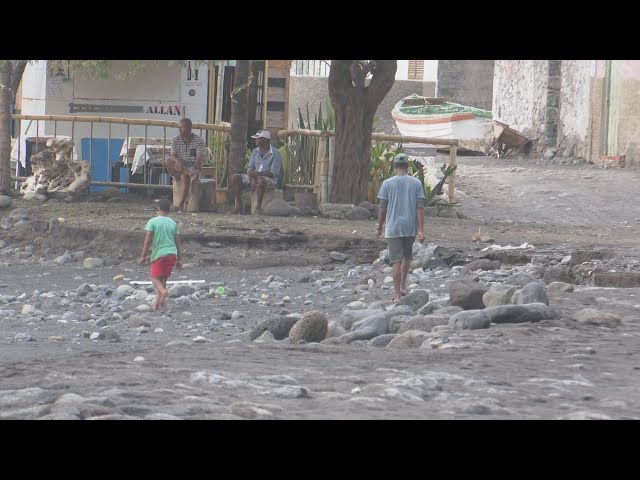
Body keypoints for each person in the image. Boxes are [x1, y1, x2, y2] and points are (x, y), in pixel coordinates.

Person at [376, 153, 425, 303]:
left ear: (395, 166)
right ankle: (403, 285)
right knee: (407, 257)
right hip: (410, 226)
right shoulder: (416, 183)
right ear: (407, 167)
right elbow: (420, 207)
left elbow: (382, 208)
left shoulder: (387, 183)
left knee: (396, 261)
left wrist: (379, 227)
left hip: (393, 227)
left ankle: (397, 294)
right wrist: (421, 229)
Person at [138, 198, 183, 310]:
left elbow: (147, 240)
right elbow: (178, 242)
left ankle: (163, 292)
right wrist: (179, 259)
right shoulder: (173, 223)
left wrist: (143, 256)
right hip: (172, 254)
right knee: (163, 279)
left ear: (158, 209)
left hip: (159, 254)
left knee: (154, 278)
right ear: (169, 210)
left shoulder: (152, 222)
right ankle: (158, 305)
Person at [229, 129, 282, 215]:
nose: (256, 140)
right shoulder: (255, 152)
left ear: (266, 140)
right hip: (254, 178)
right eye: (256, 139)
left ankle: (258, 208)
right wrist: (253, 177)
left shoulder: (276, 153)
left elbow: (273, 173)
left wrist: (257, 175)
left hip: (270, 181)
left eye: (258, 139)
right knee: (235, 178)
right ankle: (239, 207)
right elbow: (250, 169)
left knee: (261, 180)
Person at [165, 118, 207, 212]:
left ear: (189, 128)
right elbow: (173, 155)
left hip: (192, 165)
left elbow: (199, 157)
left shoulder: (199, 140)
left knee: (184, 176)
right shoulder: (175, 139)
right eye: (179, 128)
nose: (179, 130)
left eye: (182, 128)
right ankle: (188, 173)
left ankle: (180, 204)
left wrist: (196, 167)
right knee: (167, 161)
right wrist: (177, 161)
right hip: (179, 166)